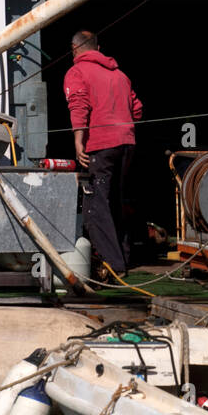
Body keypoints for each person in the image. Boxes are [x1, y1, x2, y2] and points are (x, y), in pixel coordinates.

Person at [63, 30, 142, 278]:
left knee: (96, 206)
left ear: (74, 49)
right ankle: (124, 258)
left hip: (100, 146)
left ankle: (114, 266)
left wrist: (78, 141)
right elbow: (137, 109)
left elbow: (79, 105)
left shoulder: (76, 72)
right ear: (98, 47)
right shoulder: (120, 75)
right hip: (127, 143)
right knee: (116, 201)